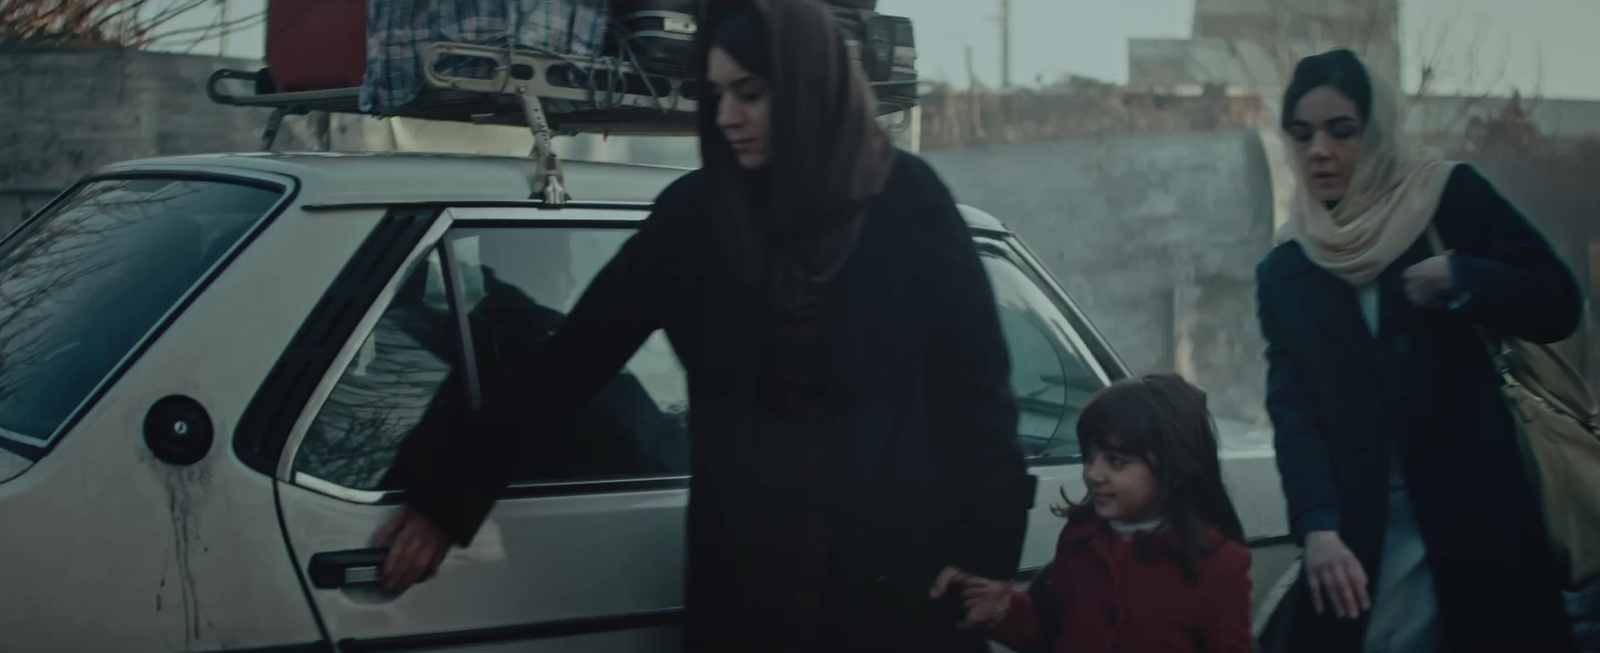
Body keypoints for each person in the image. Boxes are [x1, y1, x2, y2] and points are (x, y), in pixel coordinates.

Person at [372, 0, 1036, 651]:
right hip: (751, 588)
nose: (726, 117)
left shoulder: (908, 205)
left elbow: (981, 393)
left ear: (806, 85)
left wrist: (991, 551)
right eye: (715, 94)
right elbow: (570, 362)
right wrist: (449, 495)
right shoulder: (695, 219)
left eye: (750, 92)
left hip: (898, 590)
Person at [1257, 49, 1582, 653]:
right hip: (1362, 541)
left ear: (1376, 132)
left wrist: (1464, 275)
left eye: (1341, 130)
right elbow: (1294, 413)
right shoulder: (1288, 266)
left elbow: (1558, 302)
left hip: (1478, 524)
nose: (1319, 151)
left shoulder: (1445, 199)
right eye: (1301, 135)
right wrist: (1318, 530)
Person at [935, 374, 1253, 653]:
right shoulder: (1080, 539)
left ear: (1176, 470)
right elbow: (1048, 633)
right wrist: (998, 606)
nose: (1093, 474)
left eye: (1116, 461)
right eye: (1089, 457)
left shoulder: (1219, 566)